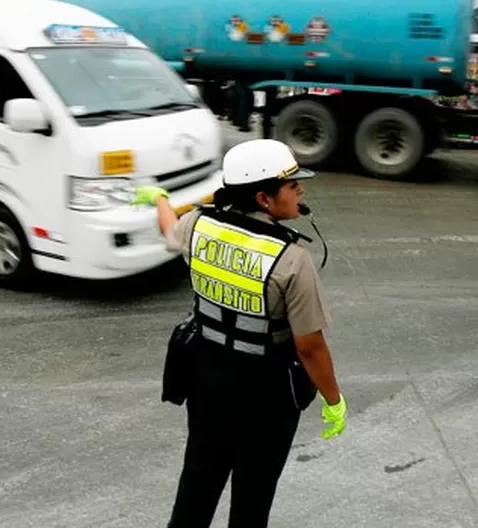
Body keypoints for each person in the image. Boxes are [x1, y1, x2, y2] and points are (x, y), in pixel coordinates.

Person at [131, 139, 348, 528]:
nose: (302, 191)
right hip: (266, 396)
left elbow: (169, 230)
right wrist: (333, 399)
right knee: (252, 498)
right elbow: (310, 347)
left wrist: (160, 199)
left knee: (198, 480)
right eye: (293, 186)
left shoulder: (198, 224)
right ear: (264, 198)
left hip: (205, 378)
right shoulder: (292, 260)